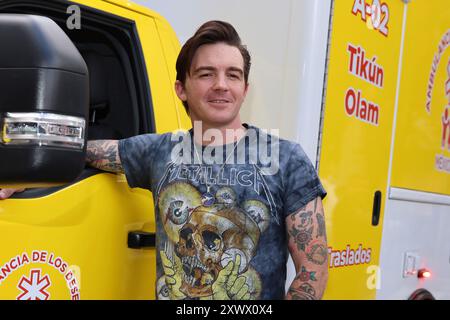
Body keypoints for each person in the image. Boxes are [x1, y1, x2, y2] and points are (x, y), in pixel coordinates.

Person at [1, 20, 328, 300]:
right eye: (205, 74)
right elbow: (91, 150)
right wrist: (32, 163)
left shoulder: (287, 159)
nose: (221, 85)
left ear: (244, 88)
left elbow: (312, 273)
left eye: (233, 75)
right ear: (181, 89)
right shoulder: (159, 150)